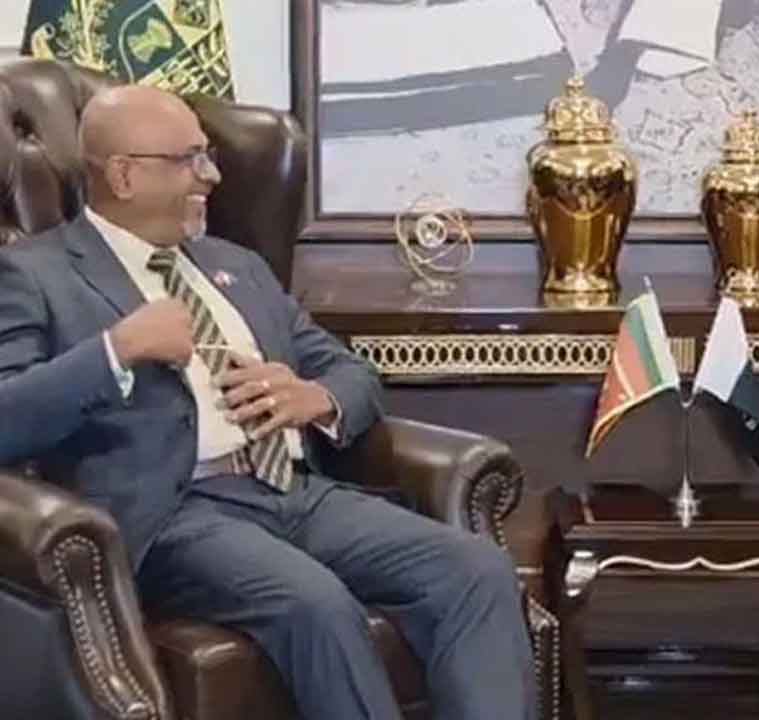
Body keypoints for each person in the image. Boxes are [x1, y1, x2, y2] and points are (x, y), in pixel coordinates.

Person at [0, 85, 533, 720]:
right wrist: (116, 350)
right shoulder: (37, 273)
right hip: (176, 514)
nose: (212, 175)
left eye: (208, 155)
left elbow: (350, 370)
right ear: (124, 175)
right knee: (315, 603)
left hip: (292, 492)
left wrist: (316, 397)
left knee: (476, 568)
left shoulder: (238, 266)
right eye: (191, 159)